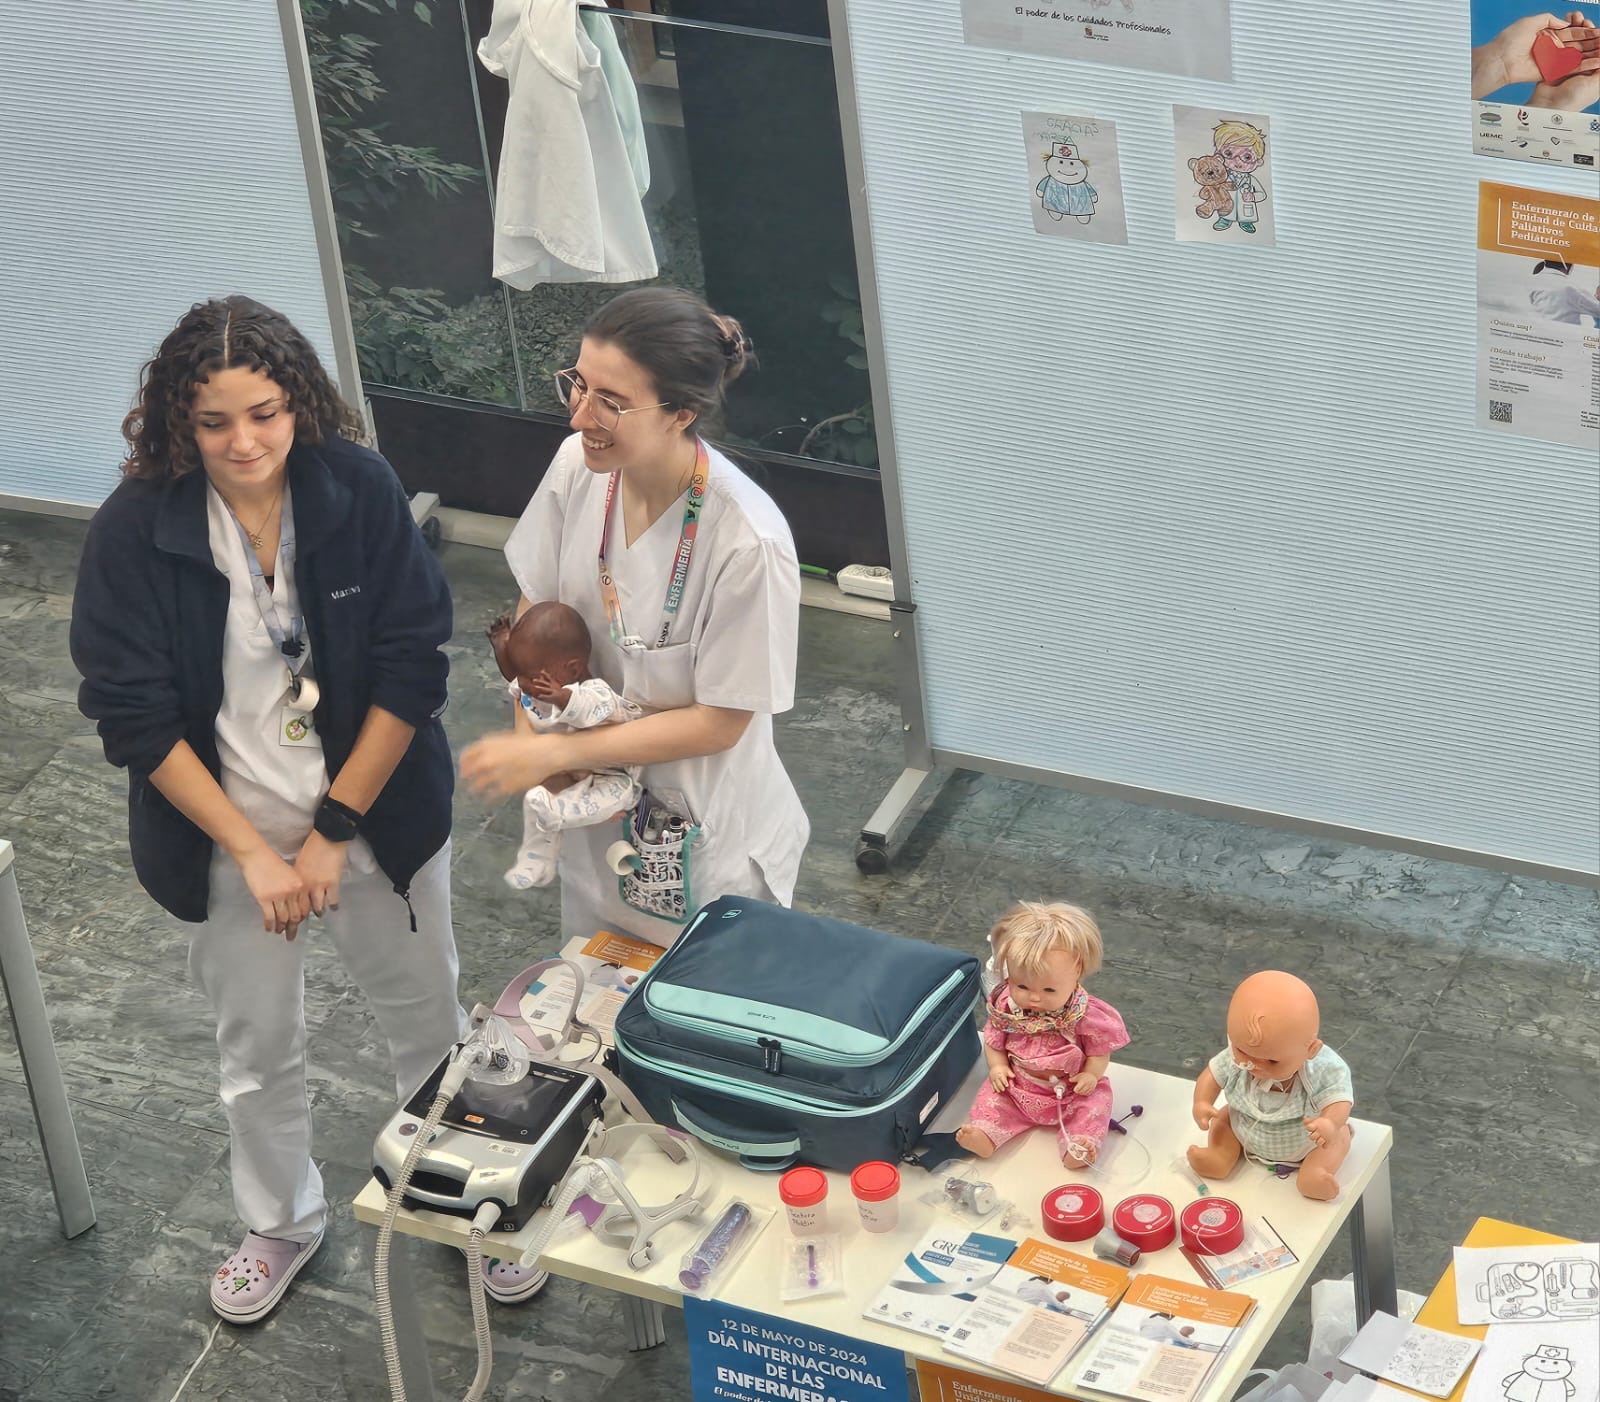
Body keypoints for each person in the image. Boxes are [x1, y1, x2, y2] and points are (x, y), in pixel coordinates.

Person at [70, 296, 469, 1322]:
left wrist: (334, 830)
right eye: (214, 422)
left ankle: (461, 1199)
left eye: (265, 414)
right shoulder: (133, 529)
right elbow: (131, 714)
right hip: (226, 833)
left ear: (299, 404)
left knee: (430, 1020)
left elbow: (413, 668)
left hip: (373, 814)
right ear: (178, 421)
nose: (243, 442)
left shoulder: (358, 487)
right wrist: (252, 852)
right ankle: (281, 1220)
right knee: (254, 1048)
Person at [460, 287, 810, 949]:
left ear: (681, 413)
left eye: (611, 402)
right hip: (593, 816)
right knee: (594, 984)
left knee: (695, 996)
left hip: (702, 837)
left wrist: (558, 752)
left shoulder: (748, 542)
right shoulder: (580, 467)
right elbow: (536, 606)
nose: (578, 417)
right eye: (578, 385)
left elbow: (721, 720)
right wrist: (536, 742)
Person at [956, 902, 1130, 1168]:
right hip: (1019, 1087)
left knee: (1096, 1101)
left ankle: (1079, 1145)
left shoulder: (1085, 1014)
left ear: (1077, 972)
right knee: (993, 1094)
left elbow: (1099, 1052)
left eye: (1049, 990)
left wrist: (1090, 1075)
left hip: (1069, 1090)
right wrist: (998, 1066)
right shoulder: (1007, 1009)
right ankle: (985, 1134)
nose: (1034, 997)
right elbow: (994, 1041)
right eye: (1022, 985)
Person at [488, 600, 642, 889]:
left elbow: (587, 710)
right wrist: (501, 647)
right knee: (538, 799)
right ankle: (536, 859)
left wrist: (561, 697)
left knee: (609, 797)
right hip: (565, 767)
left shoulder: (596, 693)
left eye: (532, 676)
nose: (525, 683)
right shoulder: (537, 687)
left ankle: (560, 813)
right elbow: (515, 678)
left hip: (611, 776)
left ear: (572, 669)